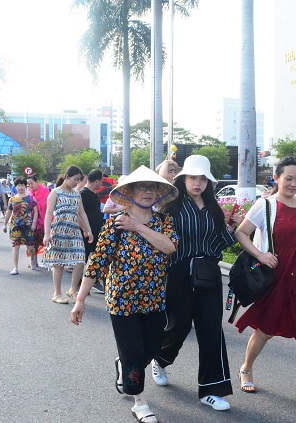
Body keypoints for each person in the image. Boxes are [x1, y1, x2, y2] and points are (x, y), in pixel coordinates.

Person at [70, 165, 179, 423]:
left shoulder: (164, 222)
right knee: (133, 352)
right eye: (142, 187)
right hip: (122, 299)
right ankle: (139, 402)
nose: (147, 192)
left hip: (153, 298)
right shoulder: (115, 224)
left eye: (152, 187)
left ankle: (125, 365)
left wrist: (137, 227)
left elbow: (170, 247)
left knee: (151, 347)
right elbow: (97, 262)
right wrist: (80, 299)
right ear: (128, 192)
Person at [233, 156, 296, 415]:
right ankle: (246, 368)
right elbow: (241, 233)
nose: (293, 183)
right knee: (265, 330)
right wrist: (260, 255)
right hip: (275, 276)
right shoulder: (264, 205)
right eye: (288, 178)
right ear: (276, 178)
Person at [152, 155, 239, 412]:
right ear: (183, 179)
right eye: (193, 177)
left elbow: (217, 244)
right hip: (179, 274)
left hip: (208, 274)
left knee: (212, 331)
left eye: (203, 179)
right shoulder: (171, 207)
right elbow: (161, 242)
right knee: (178, 329)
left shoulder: (213, 208)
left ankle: (211, 391)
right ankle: (160, 359)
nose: (198, 183)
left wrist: (230, 231)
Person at [41, 166, 94, 304]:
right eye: (75, 179)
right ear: (67, 177)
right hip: (58, 231)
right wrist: (47, 234)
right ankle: (57, 293)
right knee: (58, 263)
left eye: (78, 180)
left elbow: (82, 213)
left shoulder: (77, 194)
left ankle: (72, 290)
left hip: (74, 231)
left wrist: (89, 231)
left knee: (80, 260)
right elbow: (48, 214)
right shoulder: (55, 193)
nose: (76, 182)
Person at [3, 178, 39, 274]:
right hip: (15, 226)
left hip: (28, 226)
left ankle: (32, 260)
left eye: (22, 185)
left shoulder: (30, 198)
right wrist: (5, 224)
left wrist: (34, 223)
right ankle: (15, 267)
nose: (20, 187)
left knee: (30, 247)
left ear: (25, 186)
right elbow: (9, 212)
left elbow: (35, 211)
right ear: (15, 187)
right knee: (16, 246)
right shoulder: (12, 199)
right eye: (18, 185)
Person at [78, 169, 105, 293]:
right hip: (86, 232)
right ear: (96, 181)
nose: (102, 184)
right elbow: (79, 213)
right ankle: (78, 284)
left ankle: (93, 282)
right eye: (101, 181)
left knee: (94, 257)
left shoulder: (93, 193)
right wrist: (84, 229)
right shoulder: (83, 193)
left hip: (95, 230)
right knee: (83, 258)